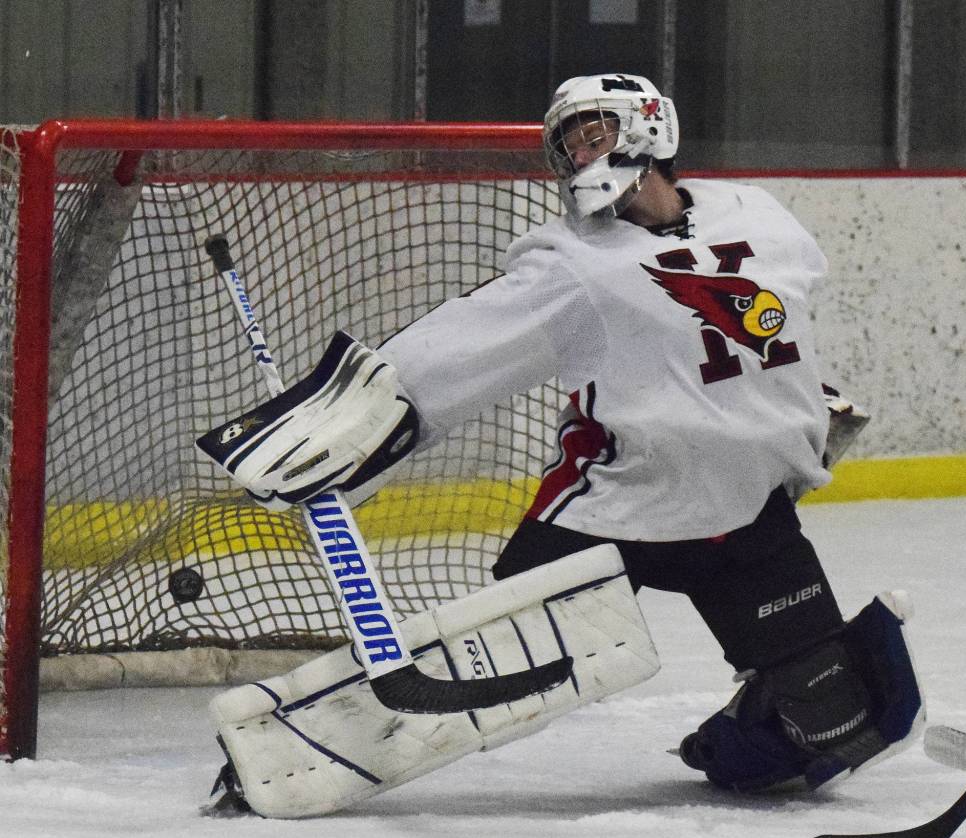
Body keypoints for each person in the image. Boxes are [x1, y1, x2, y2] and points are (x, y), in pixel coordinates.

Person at [203, 74, 923, 794]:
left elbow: (774, 323)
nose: (580, 158)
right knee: (481, 669)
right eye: (568, 148)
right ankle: (283, 762)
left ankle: (727, 747)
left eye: (592, 135)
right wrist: (343, 419)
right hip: (617, 508)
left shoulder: (758, 215)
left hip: (746, 514)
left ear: (649, 126)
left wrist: (797, 405)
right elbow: (459, 347)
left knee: (832, 718)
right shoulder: (572, 263)